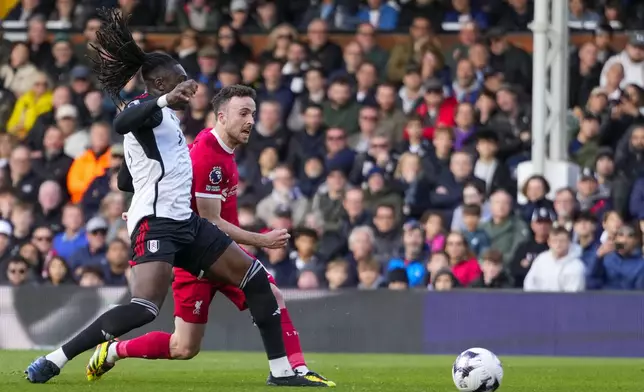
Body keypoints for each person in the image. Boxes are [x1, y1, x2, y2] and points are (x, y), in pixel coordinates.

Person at [25, 9, 318, 387]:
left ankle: (282, 373)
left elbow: (126, 180)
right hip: (158, 224)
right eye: (180, 82)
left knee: (257, 280)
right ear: (161, 84)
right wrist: (163, 105)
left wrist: (138, 169)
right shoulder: (145, 110)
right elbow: (122, 123)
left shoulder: (167, 122)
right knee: (144, 308)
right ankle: (55, 358)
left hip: (186, 223)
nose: (188, 87)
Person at [87, 86, 334, 386]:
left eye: (253, 114)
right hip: (198, 257)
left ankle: (293, 369)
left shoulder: (221, 151)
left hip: (222, 252)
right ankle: (114, 350)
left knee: (271, 295)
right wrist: (262, 240)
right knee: (184, 347)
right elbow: (211, 221)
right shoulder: (208, 157)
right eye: (243, 113)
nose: (251, 121)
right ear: (221, 116)